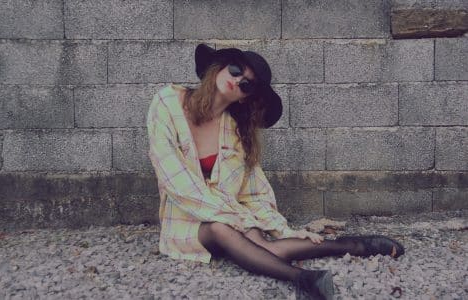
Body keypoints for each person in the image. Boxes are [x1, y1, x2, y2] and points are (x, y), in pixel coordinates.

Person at [146, 43, 405, 299]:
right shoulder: (168, 103)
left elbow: (253, 194)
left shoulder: (235, 132)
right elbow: (173, 179)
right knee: (219, 229)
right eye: (236, 70)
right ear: (219, 67)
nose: (237, 81)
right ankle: (302, 279)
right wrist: (230, 217)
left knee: (262, 245)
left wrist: (283, 230)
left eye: (247, 84)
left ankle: (351, 245)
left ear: (246, 97)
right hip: (185, 219)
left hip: (230, 214)